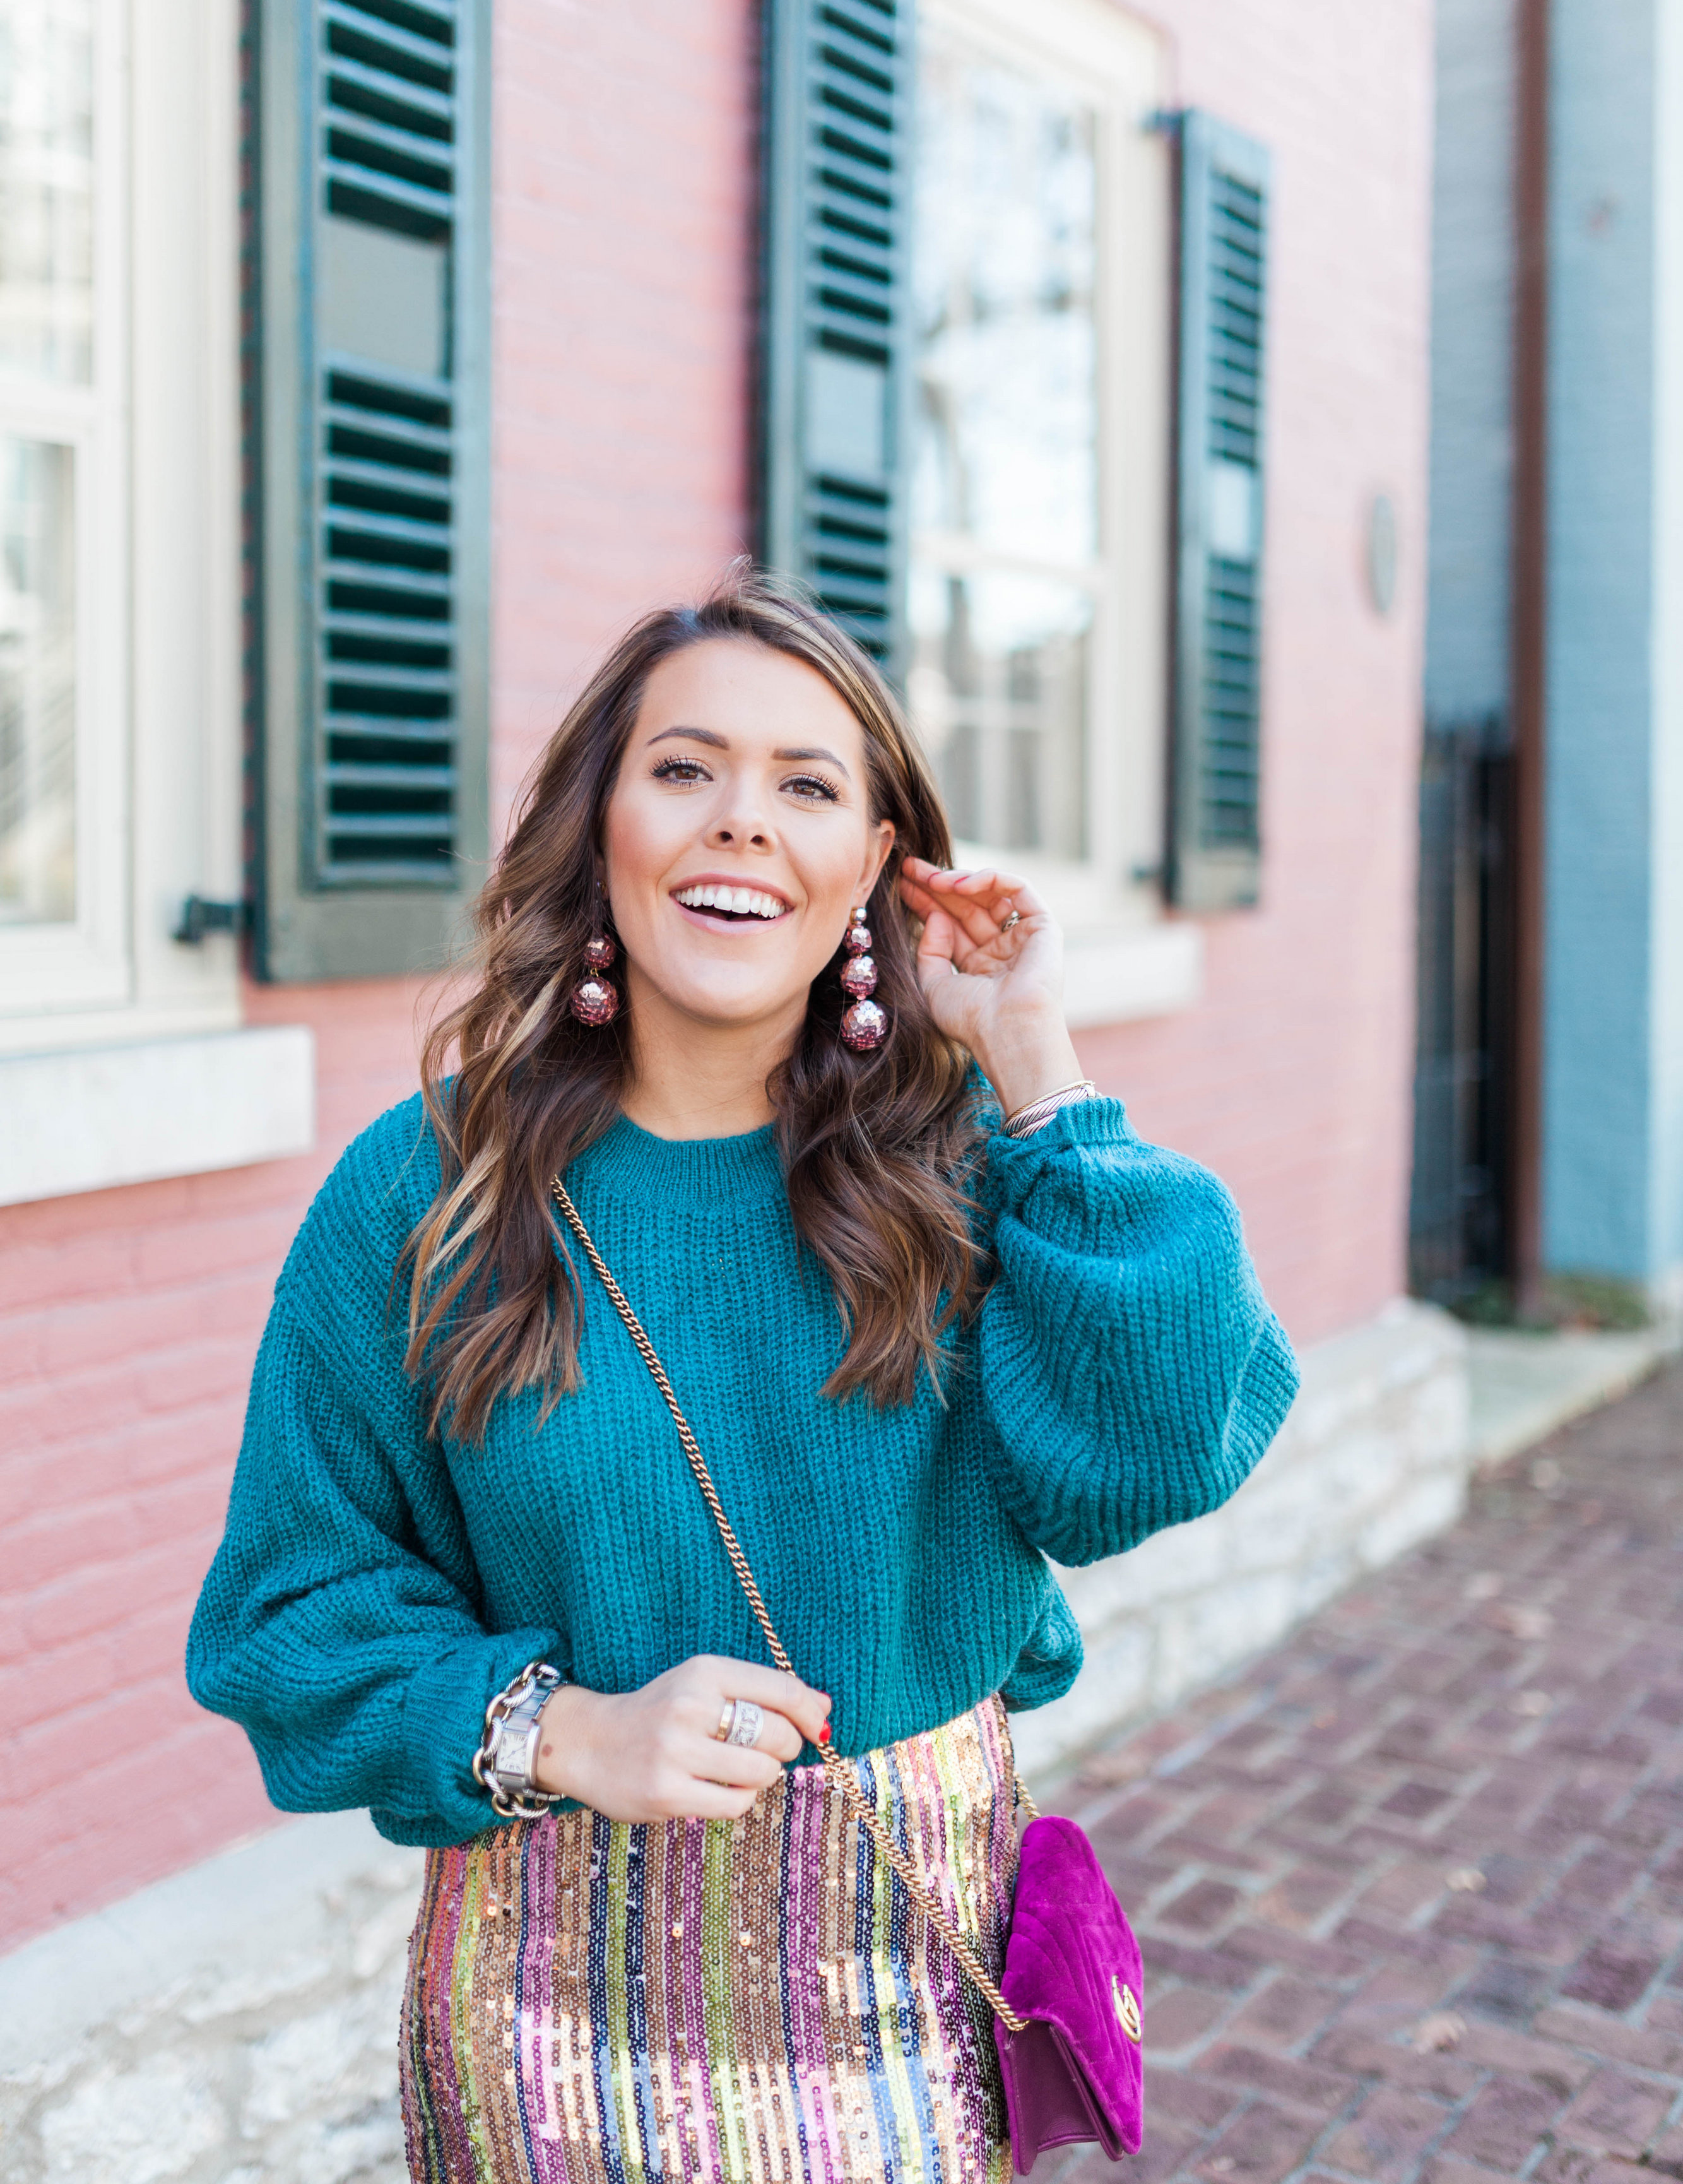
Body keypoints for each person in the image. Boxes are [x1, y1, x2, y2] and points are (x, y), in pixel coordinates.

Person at [188, 569, 1297, 2184]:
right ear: (602, 825)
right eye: (684, 768)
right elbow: (284, 1615)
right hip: (548, 2023)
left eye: (806, 785)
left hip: (905, 1994)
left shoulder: (971, 1171)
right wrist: (558, 1730)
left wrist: (1036, 1059)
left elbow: (1154, 1448)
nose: (740, 824)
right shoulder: (426, 1191)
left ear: (871, 867)